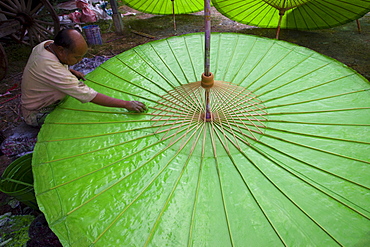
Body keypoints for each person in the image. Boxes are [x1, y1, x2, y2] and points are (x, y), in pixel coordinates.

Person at [20, 28, 146, 127]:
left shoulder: (46, 45)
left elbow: (55, 66)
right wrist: (126, 104)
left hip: (43, 98)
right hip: (38, 112)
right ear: (61, 49)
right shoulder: (50, 67)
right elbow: (88, 95)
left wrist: (71, 71)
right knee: (85, 121)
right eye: (76, 57)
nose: (81, 60)